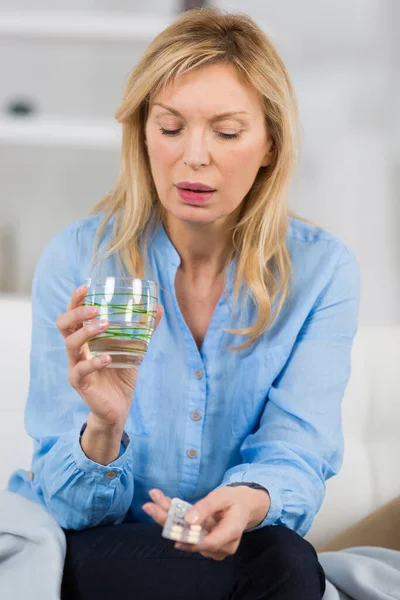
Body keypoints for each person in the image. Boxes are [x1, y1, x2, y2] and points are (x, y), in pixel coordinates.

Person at [7, 7, 360, 600]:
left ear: (270, 143)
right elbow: (70, 508)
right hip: (105, 542)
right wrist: (104, 424)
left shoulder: (320, 273)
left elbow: (296, 448)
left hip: (241, 543)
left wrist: (245, 502)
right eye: (170, 128)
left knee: (290, 563)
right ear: (143, 133)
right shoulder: (80, 260)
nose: (194, 156)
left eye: (226, 132)